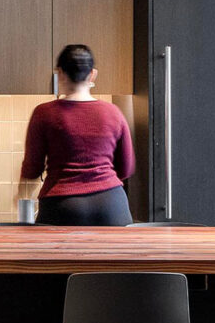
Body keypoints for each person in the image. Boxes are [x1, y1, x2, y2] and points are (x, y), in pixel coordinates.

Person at [19, 43, 136, 227]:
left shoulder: (44, 113)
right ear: (92, 74)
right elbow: (126, 168)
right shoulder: (113, 112)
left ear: (60, 74)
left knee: (53, 257)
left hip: (62, 208)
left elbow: (32, 169)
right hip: (112, 207)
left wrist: (19, 195)